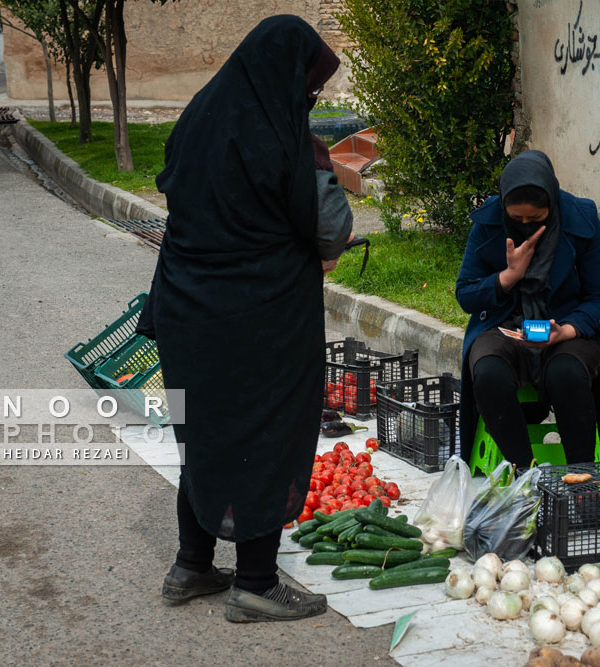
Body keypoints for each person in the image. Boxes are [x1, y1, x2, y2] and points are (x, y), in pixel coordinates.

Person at [135, 16, 352, 623]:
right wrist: (322, 171)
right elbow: (331, 230)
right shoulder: (288, 139)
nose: (310, 99)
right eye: (310, 86)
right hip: (261, 319)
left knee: (203, 436)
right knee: (268, 434)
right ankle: (256, 583)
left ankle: (191, 566)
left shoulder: (199, 116)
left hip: (185, 310)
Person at [456, 150, 600, 467]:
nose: (523, 226)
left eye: (535, 220)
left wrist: (567, 330)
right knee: (488, 371)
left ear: (551, 203)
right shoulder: (489, 222)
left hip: (568, 328)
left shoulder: (582, 221)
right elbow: (466, 293)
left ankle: (582, 478)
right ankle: (525, 471)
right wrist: (509, 277)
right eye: (516, 219)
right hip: (506, 326)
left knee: (566, 372)